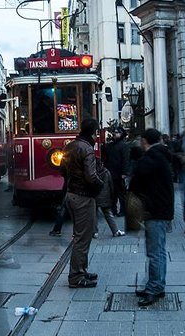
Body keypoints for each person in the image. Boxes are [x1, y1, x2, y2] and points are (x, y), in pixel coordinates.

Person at [131, 128, 174, 306]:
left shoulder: (151, 159)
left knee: (155, 251)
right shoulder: (162, 155)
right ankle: (157, 285)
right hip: (161, 209)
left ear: (144, 141)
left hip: (155, 210)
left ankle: (154, 288)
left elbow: (137, 181)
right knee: (159, 250)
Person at [61, 118, 103, 288]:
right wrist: (101, 185)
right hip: (83, 197)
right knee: (82, 237)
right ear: (93, 132)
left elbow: (62, 170)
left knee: (82, 235)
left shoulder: (70, 146)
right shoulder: (87, 149)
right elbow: (91, 176)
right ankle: (76, 276)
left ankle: (82, 270)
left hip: (71, 194)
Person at [103, 126, 131, 216]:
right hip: (111, 172)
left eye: (117, 133)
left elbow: (126, 160)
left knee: (121, 193)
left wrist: (124, 172)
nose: (115, 134)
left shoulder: (124, 146)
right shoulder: (110, 145)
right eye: (114, 133)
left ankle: (123, 210)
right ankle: (113, 209)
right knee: (112, 193)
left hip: (119, 173)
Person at [95, 158, 125, 237]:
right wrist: (112, 196)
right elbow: (111, 185)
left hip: (94, 196)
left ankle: (95, 232)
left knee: (94, 215)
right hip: (105, 197)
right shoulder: (106, 172)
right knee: (108, 214)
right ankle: (115, 231)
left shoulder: (92, 173)